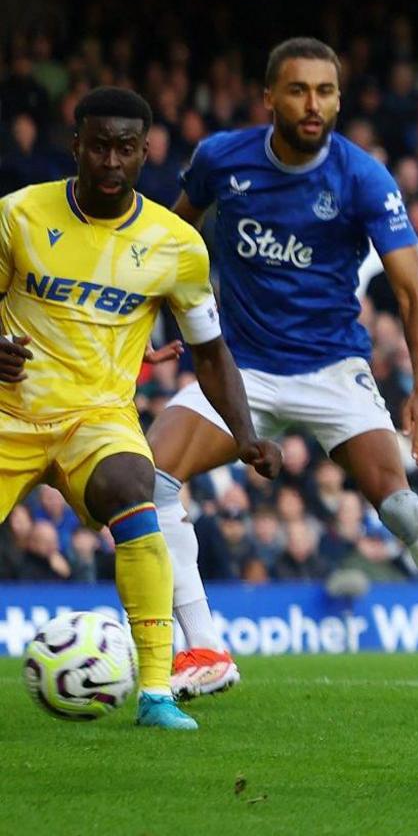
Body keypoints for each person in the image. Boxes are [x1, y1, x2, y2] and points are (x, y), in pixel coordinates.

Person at [149, 38, 418, 700]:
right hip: (243, 371)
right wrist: (160, 325)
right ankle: (203, 648)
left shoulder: (362, 177)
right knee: (152, 479)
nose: (313, 104)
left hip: (333, 370)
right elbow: (172, 240)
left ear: (339, 98)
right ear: (269, 97)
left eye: (326, 91)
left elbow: (411, 293)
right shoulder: (221, 159)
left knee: (398, 504)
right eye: (298, 90)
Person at [0, 87, 282, 731]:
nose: (109, 160)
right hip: (8, 412)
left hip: (95, 420)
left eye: (125, 148)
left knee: (136, 486)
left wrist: (245, 434)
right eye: (97, 145)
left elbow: (210, 353)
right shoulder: (16, 215)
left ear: (145, 152)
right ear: (76, 145)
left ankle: (155, 690)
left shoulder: (175, 244)